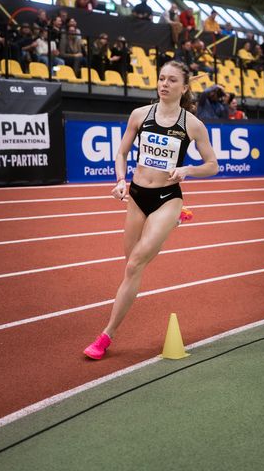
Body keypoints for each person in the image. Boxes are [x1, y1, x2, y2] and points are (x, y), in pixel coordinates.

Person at [83, 61, 219, 360]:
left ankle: (106, 337)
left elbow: (213, 165)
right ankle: (172, 221)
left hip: (168, 195)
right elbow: (121, 152)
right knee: (130, 263)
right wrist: (120, 181)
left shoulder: (192, 124)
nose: (164, 84)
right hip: (137, 195)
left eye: (172, 80)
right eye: (161, 78)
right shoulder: (140, 115)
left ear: (184, 88)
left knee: (134, 266)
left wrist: (188, 169)